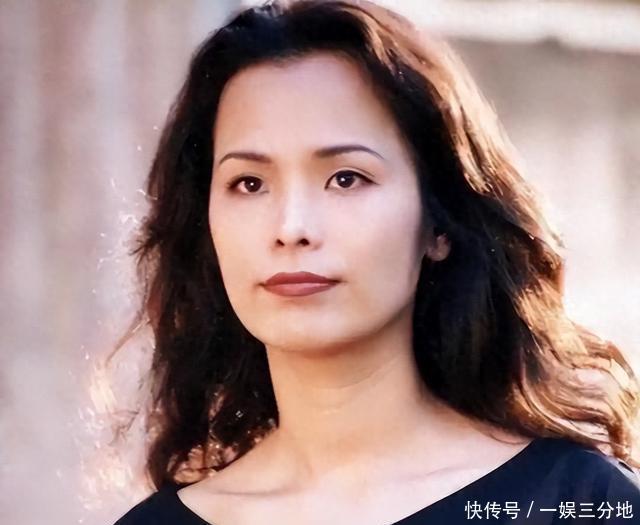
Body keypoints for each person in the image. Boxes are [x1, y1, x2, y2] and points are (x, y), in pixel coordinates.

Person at [111, 0, 640, 523]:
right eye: (249, 183)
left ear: (438, 222)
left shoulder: (575, 501)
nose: (291, 227)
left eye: (346, 179)